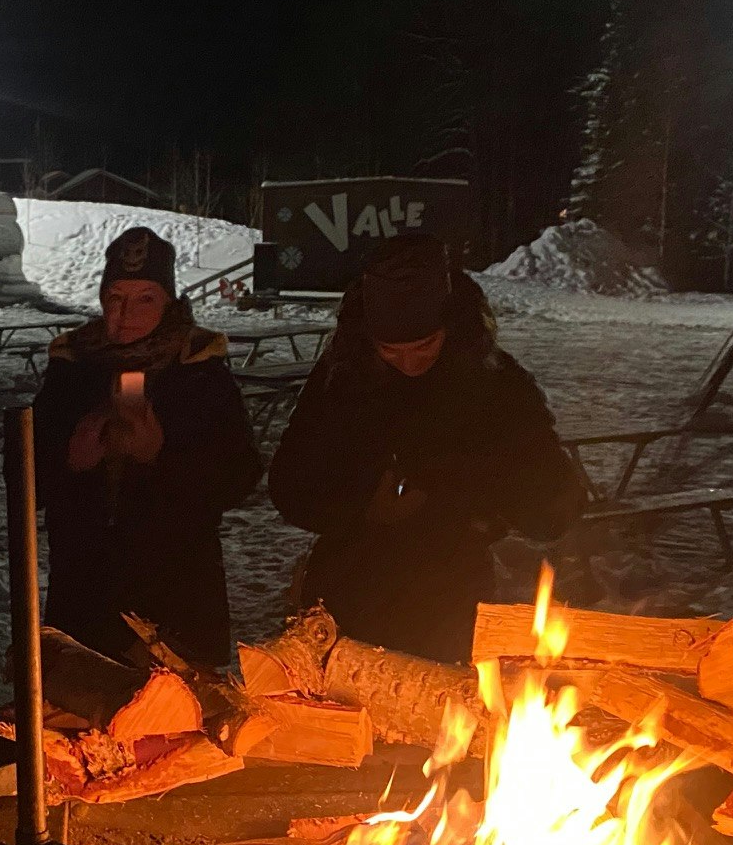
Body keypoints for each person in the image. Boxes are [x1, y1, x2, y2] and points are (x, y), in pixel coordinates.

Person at [268, 232, 583, 662]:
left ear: (451, 328)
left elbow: (553, 506)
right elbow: (289, 488)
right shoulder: (341, 382)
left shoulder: (494, 386)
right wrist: (364, 509)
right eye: (390, 351)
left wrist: (466, 493)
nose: (409, 364)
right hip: (348, 598)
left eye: (424, 346)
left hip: (450, 601)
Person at [33, 226, 262, 665]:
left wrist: (160, 456)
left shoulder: (196, 368)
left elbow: (239, 475)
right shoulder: (74, 367)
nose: (125, 314)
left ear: (168, 301)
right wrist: (70, 462)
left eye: (145, 299)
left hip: (176, 593)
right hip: (85, 592)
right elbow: (22, 479)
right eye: (116, 297)